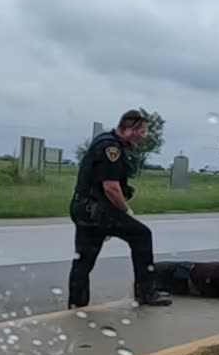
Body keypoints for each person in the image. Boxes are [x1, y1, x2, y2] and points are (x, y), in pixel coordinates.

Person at [67, 109, 172, 308]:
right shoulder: (111, 148)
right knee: (141, 235)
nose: (144, 136)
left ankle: (76, 305)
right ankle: (146, 292)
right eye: (142, 131)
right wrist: (125, 211)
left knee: (84, 259)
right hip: (98, 210)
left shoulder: (103, 141)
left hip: (83, 208)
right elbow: (111, 188)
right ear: (129, 129)